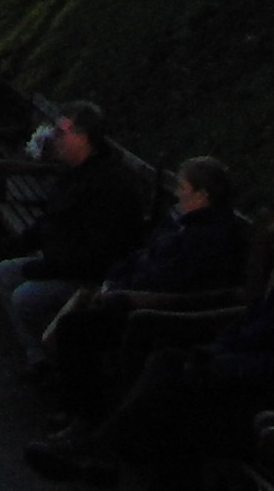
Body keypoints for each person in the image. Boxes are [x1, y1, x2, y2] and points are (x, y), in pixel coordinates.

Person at [26, 171, 274, 485]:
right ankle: (100, 452)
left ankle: (99, 452)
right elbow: (252, 325)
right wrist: (217, 357)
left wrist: (229, 366)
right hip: (256, 389)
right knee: (169, 368)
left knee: (176, 406)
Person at [37, 156, 249, 402]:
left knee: (75, 329)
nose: (178, 194)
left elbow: (170, 280)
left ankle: (84, 411)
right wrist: (115, 278)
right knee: (78, 314)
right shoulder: (182, 224)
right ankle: (64, 384)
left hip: (156, 312)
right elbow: (143, 256)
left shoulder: (206, 238)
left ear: (202, 195)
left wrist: (122, 291)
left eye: (183, 188)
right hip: (132, 295)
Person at [0, 102, 158, 370]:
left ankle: (57, 359)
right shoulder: (74, 174)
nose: (54, 138)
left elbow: (97, 254)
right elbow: (53, 219)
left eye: (61, 132)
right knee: (4, 272)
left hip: (92, 276)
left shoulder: (108, 185)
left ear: (82, 138)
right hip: (63, 261)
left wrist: (45, 266)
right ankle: (39, 357)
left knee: (26, 297)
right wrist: (20, 242)